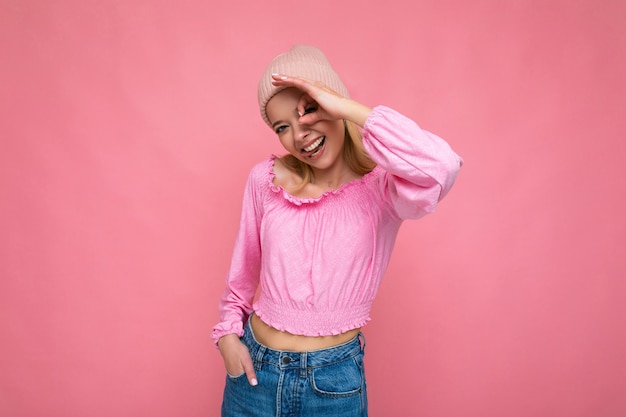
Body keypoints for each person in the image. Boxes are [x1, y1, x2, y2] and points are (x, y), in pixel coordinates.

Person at [212, 45, 462, 417]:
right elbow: (241, 278)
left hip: (333, 386)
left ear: (332, 103)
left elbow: (441, 166)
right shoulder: (265, 181)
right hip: (253, 378)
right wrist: (229, 338)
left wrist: (347, 108)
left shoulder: (384, 188)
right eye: (283, 127)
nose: (299, 135)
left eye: (309, 110)